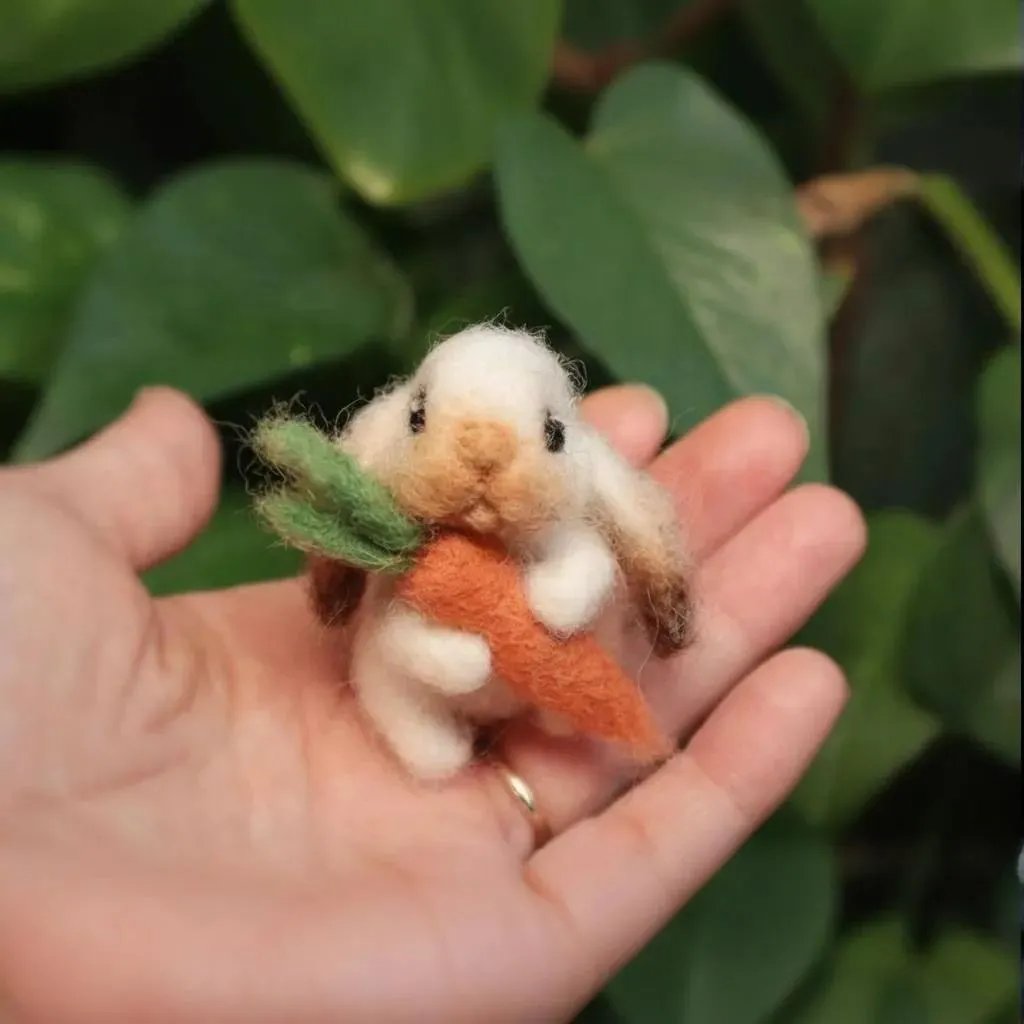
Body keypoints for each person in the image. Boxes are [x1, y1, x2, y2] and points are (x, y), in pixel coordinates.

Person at [0, 384, 865, 1023]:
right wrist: (435, 649)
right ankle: (438, 720)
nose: (483, 467)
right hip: (424, 665)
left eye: (544, 435)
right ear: (396, 428)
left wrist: (563, 602)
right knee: (412, 664)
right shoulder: (403, 544)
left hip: (542, 685)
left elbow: (598, 558)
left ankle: (553, 705)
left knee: (568, 683)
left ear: (573, 448)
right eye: (428, 426)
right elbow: (374, 610)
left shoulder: (574, 524)